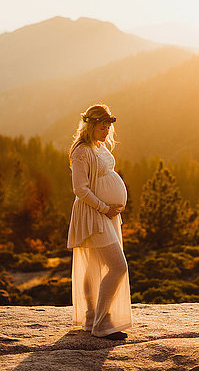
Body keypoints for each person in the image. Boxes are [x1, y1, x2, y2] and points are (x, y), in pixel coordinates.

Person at [66, 103, 133, 340]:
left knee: (95, 265)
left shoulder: (99, 146)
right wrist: (105, 208)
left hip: (105, 215)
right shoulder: (81, 151)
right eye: (102, 126)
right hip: (93, 215)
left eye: (108, 127)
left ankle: (92, 317)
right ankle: (102, 322)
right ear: (91, 125)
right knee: (118, 267)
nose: (106, 131)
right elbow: (80, 189)